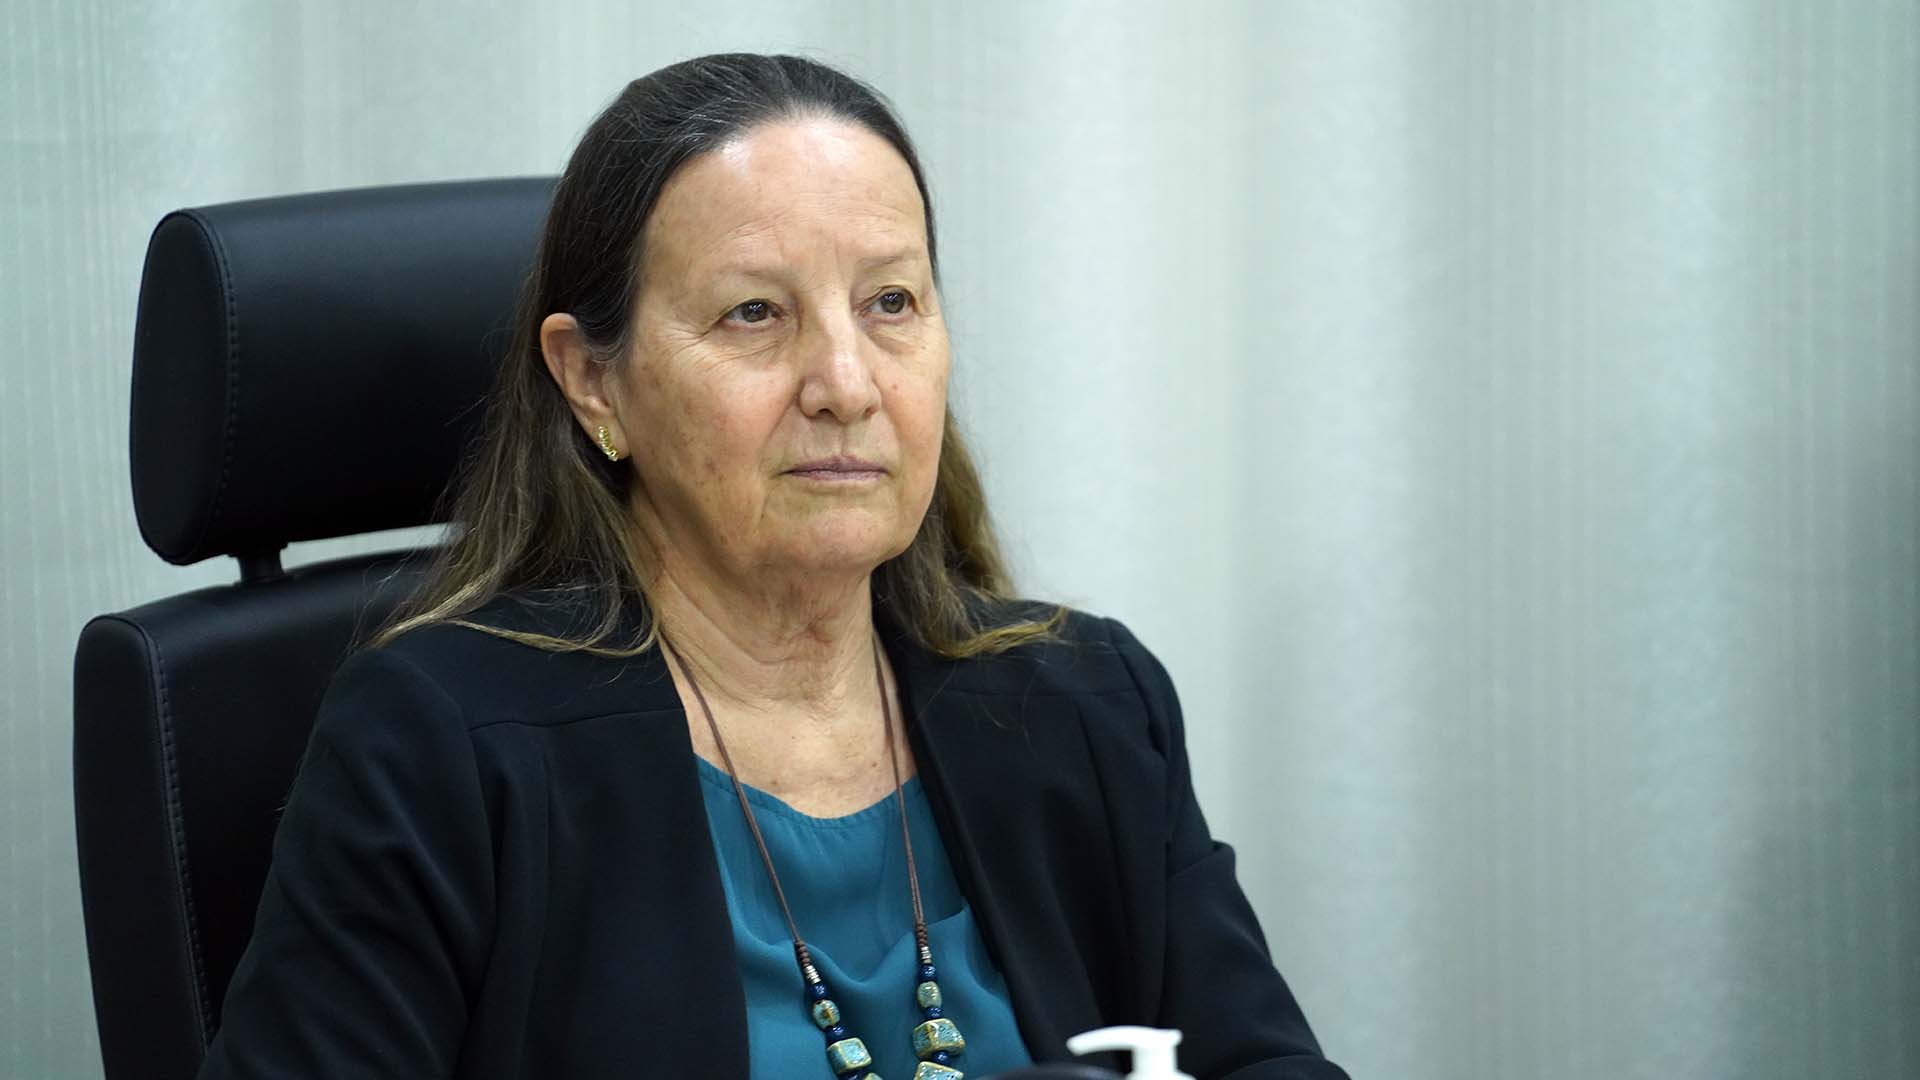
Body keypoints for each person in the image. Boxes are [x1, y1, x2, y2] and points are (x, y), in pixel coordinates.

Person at [197, 53, 1346, 1080]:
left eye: (890, 302)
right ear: (594, 383)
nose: (846, 382)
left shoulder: (1091, 704)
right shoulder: (437, 748)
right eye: (755, 313)